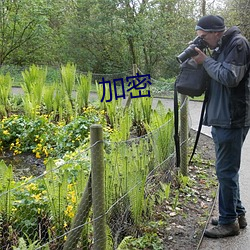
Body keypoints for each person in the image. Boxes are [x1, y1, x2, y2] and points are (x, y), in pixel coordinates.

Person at [192, 15, 250, 238]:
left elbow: (229, 77)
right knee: (227, 171)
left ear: (216, 32)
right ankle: (237, 214)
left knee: (225, 171)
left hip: (232, 118)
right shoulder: (221, 46)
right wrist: (202, 59)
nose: (203, 41)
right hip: (222, 117)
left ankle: (228, 223)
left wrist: (205, 61)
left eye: (204, 37)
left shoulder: (238, 44)